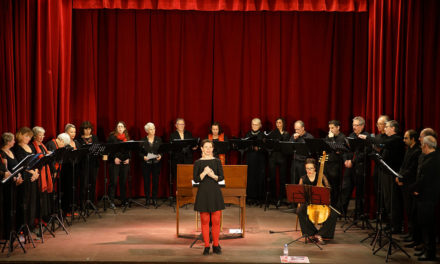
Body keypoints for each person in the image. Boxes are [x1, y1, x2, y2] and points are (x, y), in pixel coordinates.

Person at [193, 139, 225, 255]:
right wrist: (204, 173)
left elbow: (221, 177)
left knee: (216, 221)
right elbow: (196, 179)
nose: (207, 149)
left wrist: (212, 175)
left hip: (215, 193)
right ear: (201, 149)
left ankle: (216, 245)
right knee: (205, 221)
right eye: (205, 147)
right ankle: (207, 246)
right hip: (203, 194)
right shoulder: (198, 163)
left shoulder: (217, 161)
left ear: (212, 149)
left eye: (209, 147)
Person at [411, 136, 440, 261]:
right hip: (424, 195)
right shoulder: (429, 158)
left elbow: (425, 180)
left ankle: (430, 253)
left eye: (422, 145)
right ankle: (425, 248)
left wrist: (415, 189)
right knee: (423, 224)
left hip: (428, 196)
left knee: (428, 226)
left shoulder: (433, 160)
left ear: (426, 146)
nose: (421, 147)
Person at [297, 158, 338, 245]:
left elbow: (329, 189)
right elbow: (299, 192)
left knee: (334, 214)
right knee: (300, 211)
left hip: (320, 202)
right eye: (307, 168)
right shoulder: (303, 178)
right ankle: (311, 233)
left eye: (311, 168)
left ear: (315, 168)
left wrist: (324, 188)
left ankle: (321, 234)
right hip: (308, 202)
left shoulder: (321, 176)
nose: (309, 170)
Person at [339, 116, 370, 218]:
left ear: (362, 126)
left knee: (360, 192)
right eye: (353, 125)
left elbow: (363, 153)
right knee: (345, 188)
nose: (354, 127)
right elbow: (345, 150)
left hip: (360, 168)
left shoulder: (366, 136)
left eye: (356, 125)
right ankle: (342, 211)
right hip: (349, 167)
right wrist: (346, 160)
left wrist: (352, 161)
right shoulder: (351, 135)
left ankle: (359, 213)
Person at [12, 127, 40, 233]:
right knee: (25, 201)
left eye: (29, 136)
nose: (28, 138)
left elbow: (36, 160)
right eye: (26, 136)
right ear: (20, 135)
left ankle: (31, 224)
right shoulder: (18, 148)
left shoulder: (30, 147)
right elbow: (22, 164)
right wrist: (33, 173)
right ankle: (23, 226)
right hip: (25, 176)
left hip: (33, 177)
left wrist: (36, 173)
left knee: (32, 201)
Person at [380, 120, 405, 233]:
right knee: (387, 199)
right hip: (386, 172)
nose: (384, 129)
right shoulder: (388, 140)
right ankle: (390, 223)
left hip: (393, 173)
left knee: (393, 200)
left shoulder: (396, 139)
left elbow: (385, 144)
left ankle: (396, 225)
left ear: (393, 128)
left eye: (387, 127)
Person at [397, 130, 421, 242]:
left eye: (406, 138)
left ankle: (414, 236)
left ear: (413, 139)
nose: (404, 140)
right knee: (407, 209)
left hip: (411, 183)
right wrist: (399, 176)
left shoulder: (417, 151)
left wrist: (402, 177)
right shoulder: (408, 150)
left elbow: (412, 169)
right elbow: (403, 165)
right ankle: (410, 233)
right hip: (404, 182)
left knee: (412, 210)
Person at [1, 133, 24, 242]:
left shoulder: (12, 152)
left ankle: (13, 231)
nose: (14, 141)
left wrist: (19, 176)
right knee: (7, 208)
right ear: (8, 141)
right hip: (6, 186)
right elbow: (6, 170)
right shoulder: (2, 153)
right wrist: (14, 178)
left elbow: (16, 167)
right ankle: (6, 233)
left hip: (14, 185)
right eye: (13, 140)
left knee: (14, 208)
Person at [29, 126, 54, 223]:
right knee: (39, 196)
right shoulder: (32, 146)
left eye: (43, 135)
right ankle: (39, 218)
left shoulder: (43, 146)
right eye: (40, 135)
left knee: (45, 196)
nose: (42, 137)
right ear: (34, 136)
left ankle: (45, 216)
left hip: (46, 172)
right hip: (38, 174)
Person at [170, 118, 196, 196]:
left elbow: (191, 145)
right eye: (180, 124)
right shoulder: (173, 135)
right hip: (177, 159)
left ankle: (187, 195)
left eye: (183, 124)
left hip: (188, 158)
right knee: (178, 178)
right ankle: (179, 195)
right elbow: (172, 147)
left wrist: (194, 147)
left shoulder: (189, 134)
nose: (181, 126)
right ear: (176, 125)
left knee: (187, 177)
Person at [107, 121, 131, 209]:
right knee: (113, 182)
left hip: (124, 162)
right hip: (115, 162)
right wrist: (114, 158)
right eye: (118, 126)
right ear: (116, 128)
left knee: (123, 182)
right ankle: (111, 201)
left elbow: (129, 150)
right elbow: (109, 150)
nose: (120, 128)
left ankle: (124, 201)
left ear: (124, 128)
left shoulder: (127, 138)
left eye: (122, 126)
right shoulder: (112, 137)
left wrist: (128, 158)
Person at [267, 118, 290, 206]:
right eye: (276, 122)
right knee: (272, 177)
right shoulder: (273, 132)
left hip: (282, 157)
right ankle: (273, 197)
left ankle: (281, 197)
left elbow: (285, 143)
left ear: (283, 124)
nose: (278, 124)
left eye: (280, 122)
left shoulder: (286, 133)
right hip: (273, 157)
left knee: (282, 178)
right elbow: (269, 143)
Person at [77, 121, 100, 206]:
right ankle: (82, 203)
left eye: (89, 129)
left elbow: (97, 149)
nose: (87, 131)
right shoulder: (79, 139)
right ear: (82, 129)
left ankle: (91, 203)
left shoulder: (94, 138)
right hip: (83, 165)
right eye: (86, 129)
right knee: (84, 184)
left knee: (93, 183)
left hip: (94, 164)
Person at [324, 120, 346, 207]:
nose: (330, 130)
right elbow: (325, 146)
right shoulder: (329, 136)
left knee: (334, 187)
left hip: (335, 166)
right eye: (329, 128)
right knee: (327, 186)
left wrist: (331, 139)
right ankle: (327, 205)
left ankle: (334, 206)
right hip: (327, 164)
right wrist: (330, 138)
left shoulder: (342, 137)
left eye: (332, 128)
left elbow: (337, 149)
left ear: (338, 127)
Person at [140, 122, 162, 207]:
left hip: (156, 163)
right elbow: (140, 153)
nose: (153, 130)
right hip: (146, 163)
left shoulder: (158, 139)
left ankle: (154, 199)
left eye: (154, 128)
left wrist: (160, 155)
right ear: (147, 131)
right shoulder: (143, 140)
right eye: (151, 129)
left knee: (155, 181)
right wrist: (143, 157)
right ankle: (147, 199)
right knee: (147, 181)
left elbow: (161, 151)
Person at [244, 118, 266, 205]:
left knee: (259, 177)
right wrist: (251, 147)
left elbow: (266, 147)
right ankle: (250, 197)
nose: (254, 126)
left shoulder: (263, 135)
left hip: (260, 160)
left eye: (256, 124)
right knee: (250, 177)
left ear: (260, 125)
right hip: (250, 159)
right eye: (253, 124)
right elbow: (244, 145)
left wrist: (259, 148)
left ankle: (259, 198)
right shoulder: (248, 134)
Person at [60, 123, 80, 215]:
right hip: (67, 168)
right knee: (67, 188)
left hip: (75, 168)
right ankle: (66, 209)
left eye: (74, 132)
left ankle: (73, 208)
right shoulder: (64, 143)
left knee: (74, 188)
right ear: (66, 132)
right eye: (71, 132)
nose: (73, 134)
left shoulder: (77, 142)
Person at [290, 120, 314, 185]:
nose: (296, 131)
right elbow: (289, 147)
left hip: (304, 162)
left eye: (298, 129)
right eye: (295, 129)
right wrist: (294, 139)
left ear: (303, 128)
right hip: (295, 161)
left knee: (303, 181)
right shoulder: (294, 136)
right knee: (293, 181)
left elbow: (311, 151)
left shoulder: (309, 137)